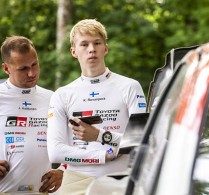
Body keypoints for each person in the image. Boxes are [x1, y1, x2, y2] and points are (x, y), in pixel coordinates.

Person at [47, 19, 147, 195]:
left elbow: (140, 140)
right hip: (76, 180)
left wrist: (100, 135)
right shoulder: (62, 94)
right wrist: (101, 157)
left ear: (105, 49)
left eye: (97, 43)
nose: (91, 49)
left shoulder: (130, 86)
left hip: (120, 179)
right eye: (84, 44)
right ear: (73, 52)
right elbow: (55, 152)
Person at [0, 35, 63, 194]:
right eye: (23, 69)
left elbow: (75, 140)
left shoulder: (52, 98)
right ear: (6, 68)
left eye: (34, 65)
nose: (31, 73)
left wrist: (63, 170)